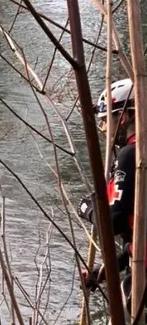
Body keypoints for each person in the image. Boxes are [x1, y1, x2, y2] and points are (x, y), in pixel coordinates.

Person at [77, 78, 138, 311]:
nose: (103, 129)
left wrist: (90, 209)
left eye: (105, 120)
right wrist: (101, 274)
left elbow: (113, 222)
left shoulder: (130, 155)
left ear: (122, 117)